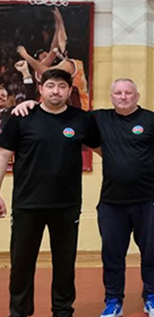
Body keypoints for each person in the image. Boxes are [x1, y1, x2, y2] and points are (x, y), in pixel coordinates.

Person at [0, 69, 99, 317]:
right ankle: (19, 312)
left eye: (62, 86)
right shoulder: (21, 117)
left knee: (65, 264)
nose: (56, 91)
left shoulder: (81, 119)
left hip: (66, 205)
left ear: (69, 90)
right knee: (21, 263)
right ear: (41, 89)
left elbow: (105, 150)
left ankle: (63, 311)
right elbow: (2, 156)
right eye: (51, 85)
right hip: (27, 204)